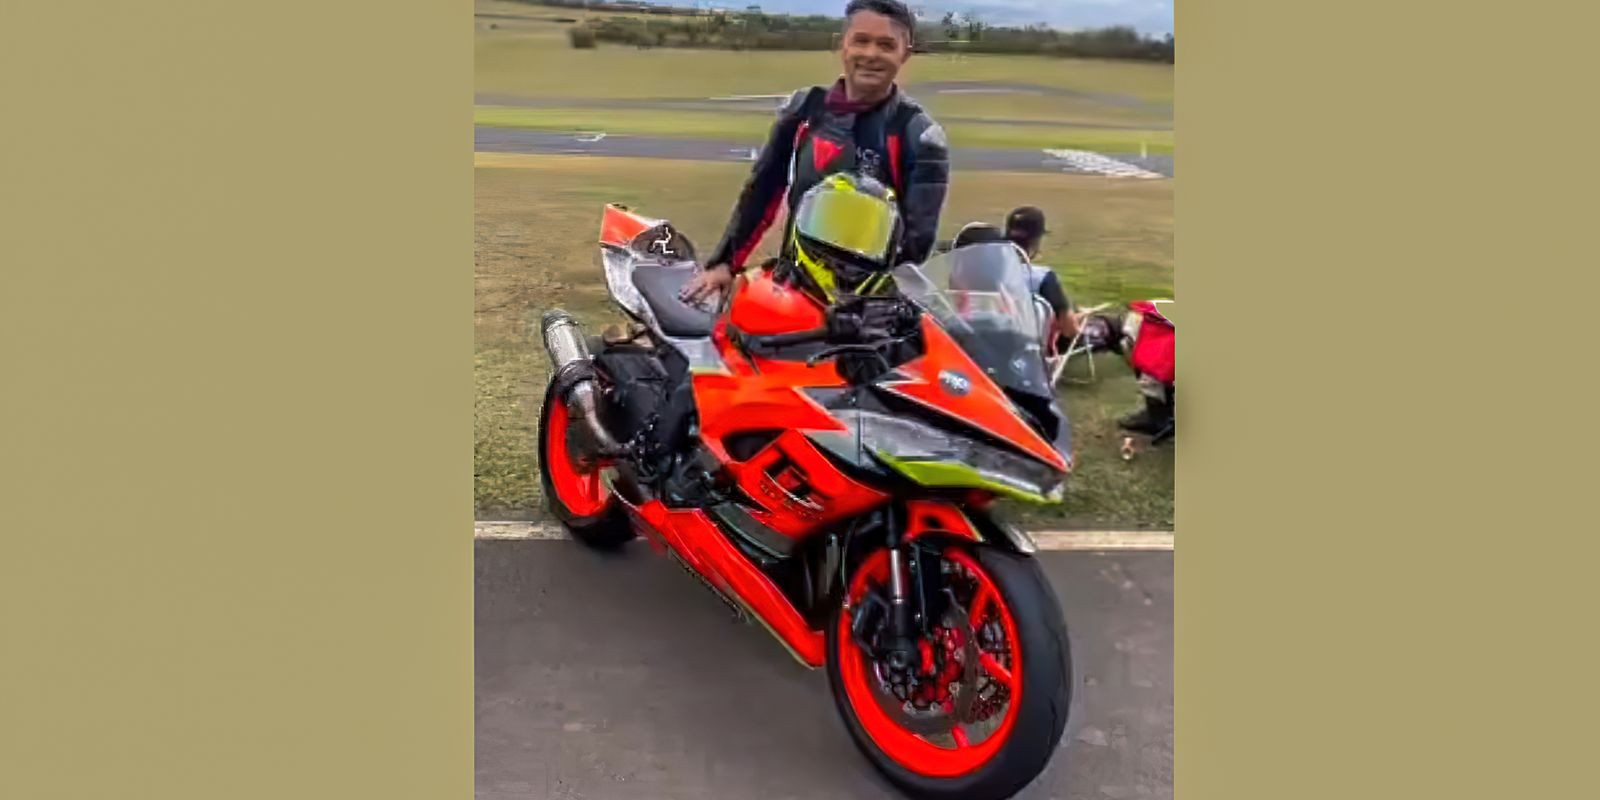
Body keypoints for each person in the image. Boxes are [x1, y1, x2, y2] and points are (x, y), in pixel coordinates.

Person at [680, 0, 949, 305]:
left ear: (905, 54)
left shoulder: (919, 135)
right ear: (842, 45)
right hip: (793, 290)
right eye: (861, 41)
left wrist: (876, 307)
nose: (871, 54)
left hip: (867, 307)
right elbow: (763, 191)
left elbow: (916, 242)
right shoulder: (804, 110)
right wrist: (725, 264)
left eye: (886, 45)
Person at [1002, 206, 1083, 345]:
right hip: (1027, 350)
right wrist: (1078, 319)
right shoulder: (1043, 277)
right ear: (1035, 241)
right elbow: (1069, 331)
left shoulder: (985, 273)